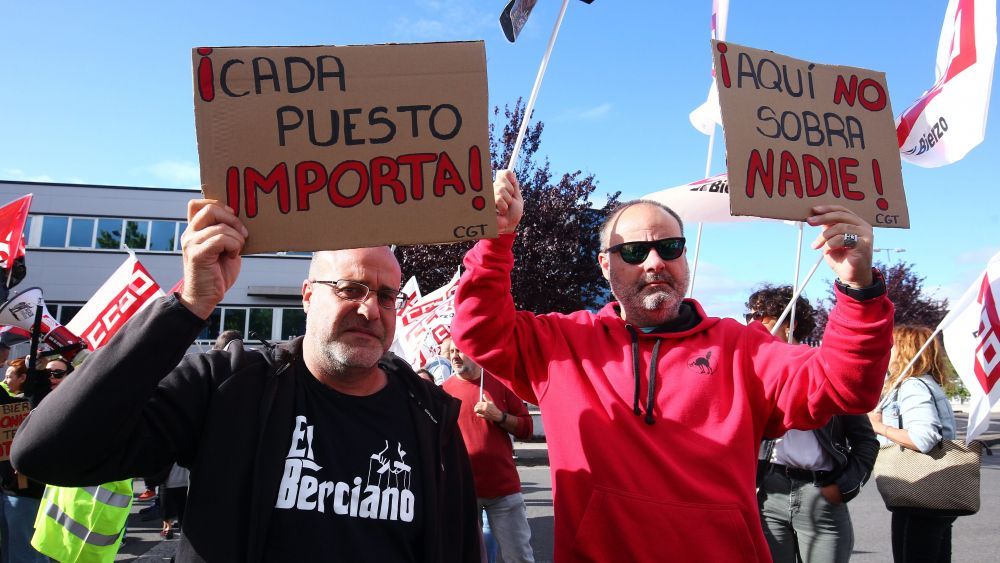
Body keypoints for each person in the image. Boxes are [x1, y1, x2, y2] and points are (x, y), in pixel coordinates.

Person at [451, 170, 894, 562]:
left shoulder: (743, 349)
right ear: (605, 265)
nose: (654, 261)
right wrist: (495, 240)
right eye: (634, 252)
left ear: (684, 256)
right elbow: (478, 332)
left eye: (669, 247)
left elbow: (844, 386)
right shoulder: (562, 343)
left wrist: (858, 287)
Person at [12, 199, 482, 562]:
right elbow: (47, 452)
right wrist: (187, 307)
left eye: (385, 295)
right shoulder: (230, 386)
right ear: (306, 296)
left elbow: (459, 546)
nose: (369, 309)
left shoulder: (431, 415)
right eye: (349, 288)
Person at [749, 285, 878, 563]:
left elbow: (865, 440)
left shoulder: (826, 370)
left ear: (789, 322)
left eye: (761, 314)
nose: (752, 321)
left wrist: (844, 486)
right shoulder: (755, 371)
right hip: (770, 492)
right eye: (750, 314)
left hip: (820, 494)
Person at [440, 337, 535, 563]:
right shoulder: (443, 391)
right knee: (466, 556)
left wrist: (499, 416)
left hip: (504, 490)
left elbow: (527, 429)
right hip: (463, 491)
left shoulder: (500, 384)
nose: (454, 356)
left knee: (519, 557)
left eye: (460, 351)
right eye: (451, 351)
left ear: (475, 351)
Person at [868, 325, 958, 563]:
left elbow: (923, 438)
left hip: (919, 491)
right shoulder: (927, 383)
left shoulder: (912, 386)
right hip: (935, 493)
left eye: (891, 347)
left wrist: (878, 426)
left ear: (905, 351)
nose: (886, 352)